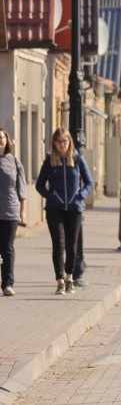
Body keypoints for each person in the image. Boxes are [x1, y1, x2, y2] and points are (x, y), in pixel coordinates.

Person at [35, 129, 93, 295]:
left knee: (72, 246)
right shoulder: (50, 161)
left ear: (69, 142)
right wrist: (51, 196)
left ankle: (69, 277)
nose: (62, 144)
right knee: (59, 245)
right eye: (59, 141)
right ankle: (60, 280)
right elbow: (39, 185)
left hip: (74, 209)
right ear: (54, 143)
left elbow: (89, 182)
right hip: (55, 209)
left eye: (64, 141)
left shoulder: (77, 159)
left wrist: (80, 196)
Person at [0, 127, 27, 296]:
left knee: (7, 248)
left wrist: (23, 212)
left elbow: (22, 189)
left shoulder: (14, 162)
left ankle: (8, 283)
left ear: (6, 140)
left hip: (10, 210)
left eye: (1, 137)